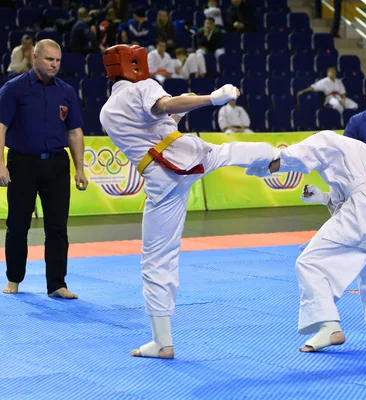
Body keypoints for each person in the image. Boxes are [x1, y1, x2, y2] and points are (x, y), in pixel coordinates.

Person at [99, 44, 278, 359]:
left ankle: (162, 341)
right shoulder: (144, 87)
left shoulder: (107, 113)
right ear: (136, 66)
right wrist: (213, 98)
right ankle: (282, 158)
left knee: (155, 259)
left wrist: (182, 107)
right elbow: (164, 107)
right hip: (185, 158)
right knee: (229, 153)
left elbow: (158, 122)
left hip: (159, 180)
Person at [246, 130, 366, 352]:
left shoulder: (326, 139)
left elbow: (292, 156)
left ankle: (329, 326)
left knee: (309, 262)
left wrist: (265, 166)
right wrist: (322, 196)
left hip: (365, 208)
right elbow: (357, 193)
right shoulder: (362, 151)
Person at [0, 39, 88, 299]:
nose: (54, 64)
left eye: (58, 60)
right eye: (49, 59)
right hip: (22, 164)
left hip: (57, 165)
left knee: (58, 227)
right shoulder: (13, 89)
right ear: (35, 58)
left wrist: (80, 168)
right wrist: (1, 165)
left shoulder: (66, 91)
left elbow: (75, 131)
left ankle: (57, 284)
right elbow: (1, 128)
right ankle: (14, 278)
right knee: (18, 224)